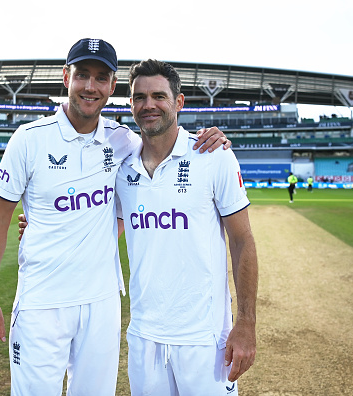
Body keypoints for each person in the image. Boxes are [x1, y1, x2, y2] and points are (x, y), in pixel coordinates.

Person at [0, 38, 230, 396]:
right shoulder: (29, 139)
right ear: (66, 77)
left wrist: (213, 137)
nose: (90, 86)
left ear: (112, 87)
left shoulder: (124, 141)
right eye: (82, 75)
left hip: (102, 302)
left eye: (101, 77)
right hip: (41, 303)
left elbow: (163, 148)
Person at [113, 59, 257, 395]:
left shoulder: (213, 155)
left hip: (203, 340)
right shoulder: (122, 167)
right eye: (139, 97)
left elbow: (242, 239)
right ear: (131, 104)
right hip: (144, 337)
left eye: (159, 96)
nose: (149, 105)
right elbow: (101, 225)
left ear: (178, 102)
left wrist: (247, 322)